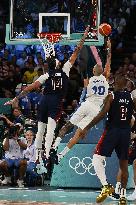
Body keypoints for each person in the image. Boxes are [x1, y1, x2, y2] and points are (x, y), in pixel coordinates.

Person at [5, 26, 90, 170]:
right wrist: (84, 37)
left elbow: (30, 87)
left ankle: (38, 158)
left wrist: (17, 98)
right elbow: (76, 51)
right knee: (50, 130)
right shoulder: (65, 69)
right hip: (55, 102)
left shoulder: (47, 74)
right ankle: (46, 153)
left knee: (40, 130)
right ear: (57, 64)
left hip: (44, 101)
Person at [52, 39, 111, 163]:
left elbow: (84, 82)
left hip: (87, 104)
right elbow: (108, 61)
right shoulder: (105, 77)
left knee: (68, 126)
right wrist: (109, 49)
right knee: (78, 134)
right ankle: (61, 155)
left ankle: (54, 147)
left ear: (94, 71)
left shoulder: (88, 79)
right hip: (96, 109)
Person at [80, 74, 136, 205]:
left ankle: (106, 185)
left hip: (113, 131)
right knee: (124, 165)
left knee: (97, 158)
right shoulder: (131, 97)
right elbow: (132, 118)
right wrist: (131, 131)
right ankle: (122, 196)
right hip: (125, 133)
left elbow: (102, 114)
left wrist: (87, 127)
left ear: (116, 83)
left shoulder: (111, 96)